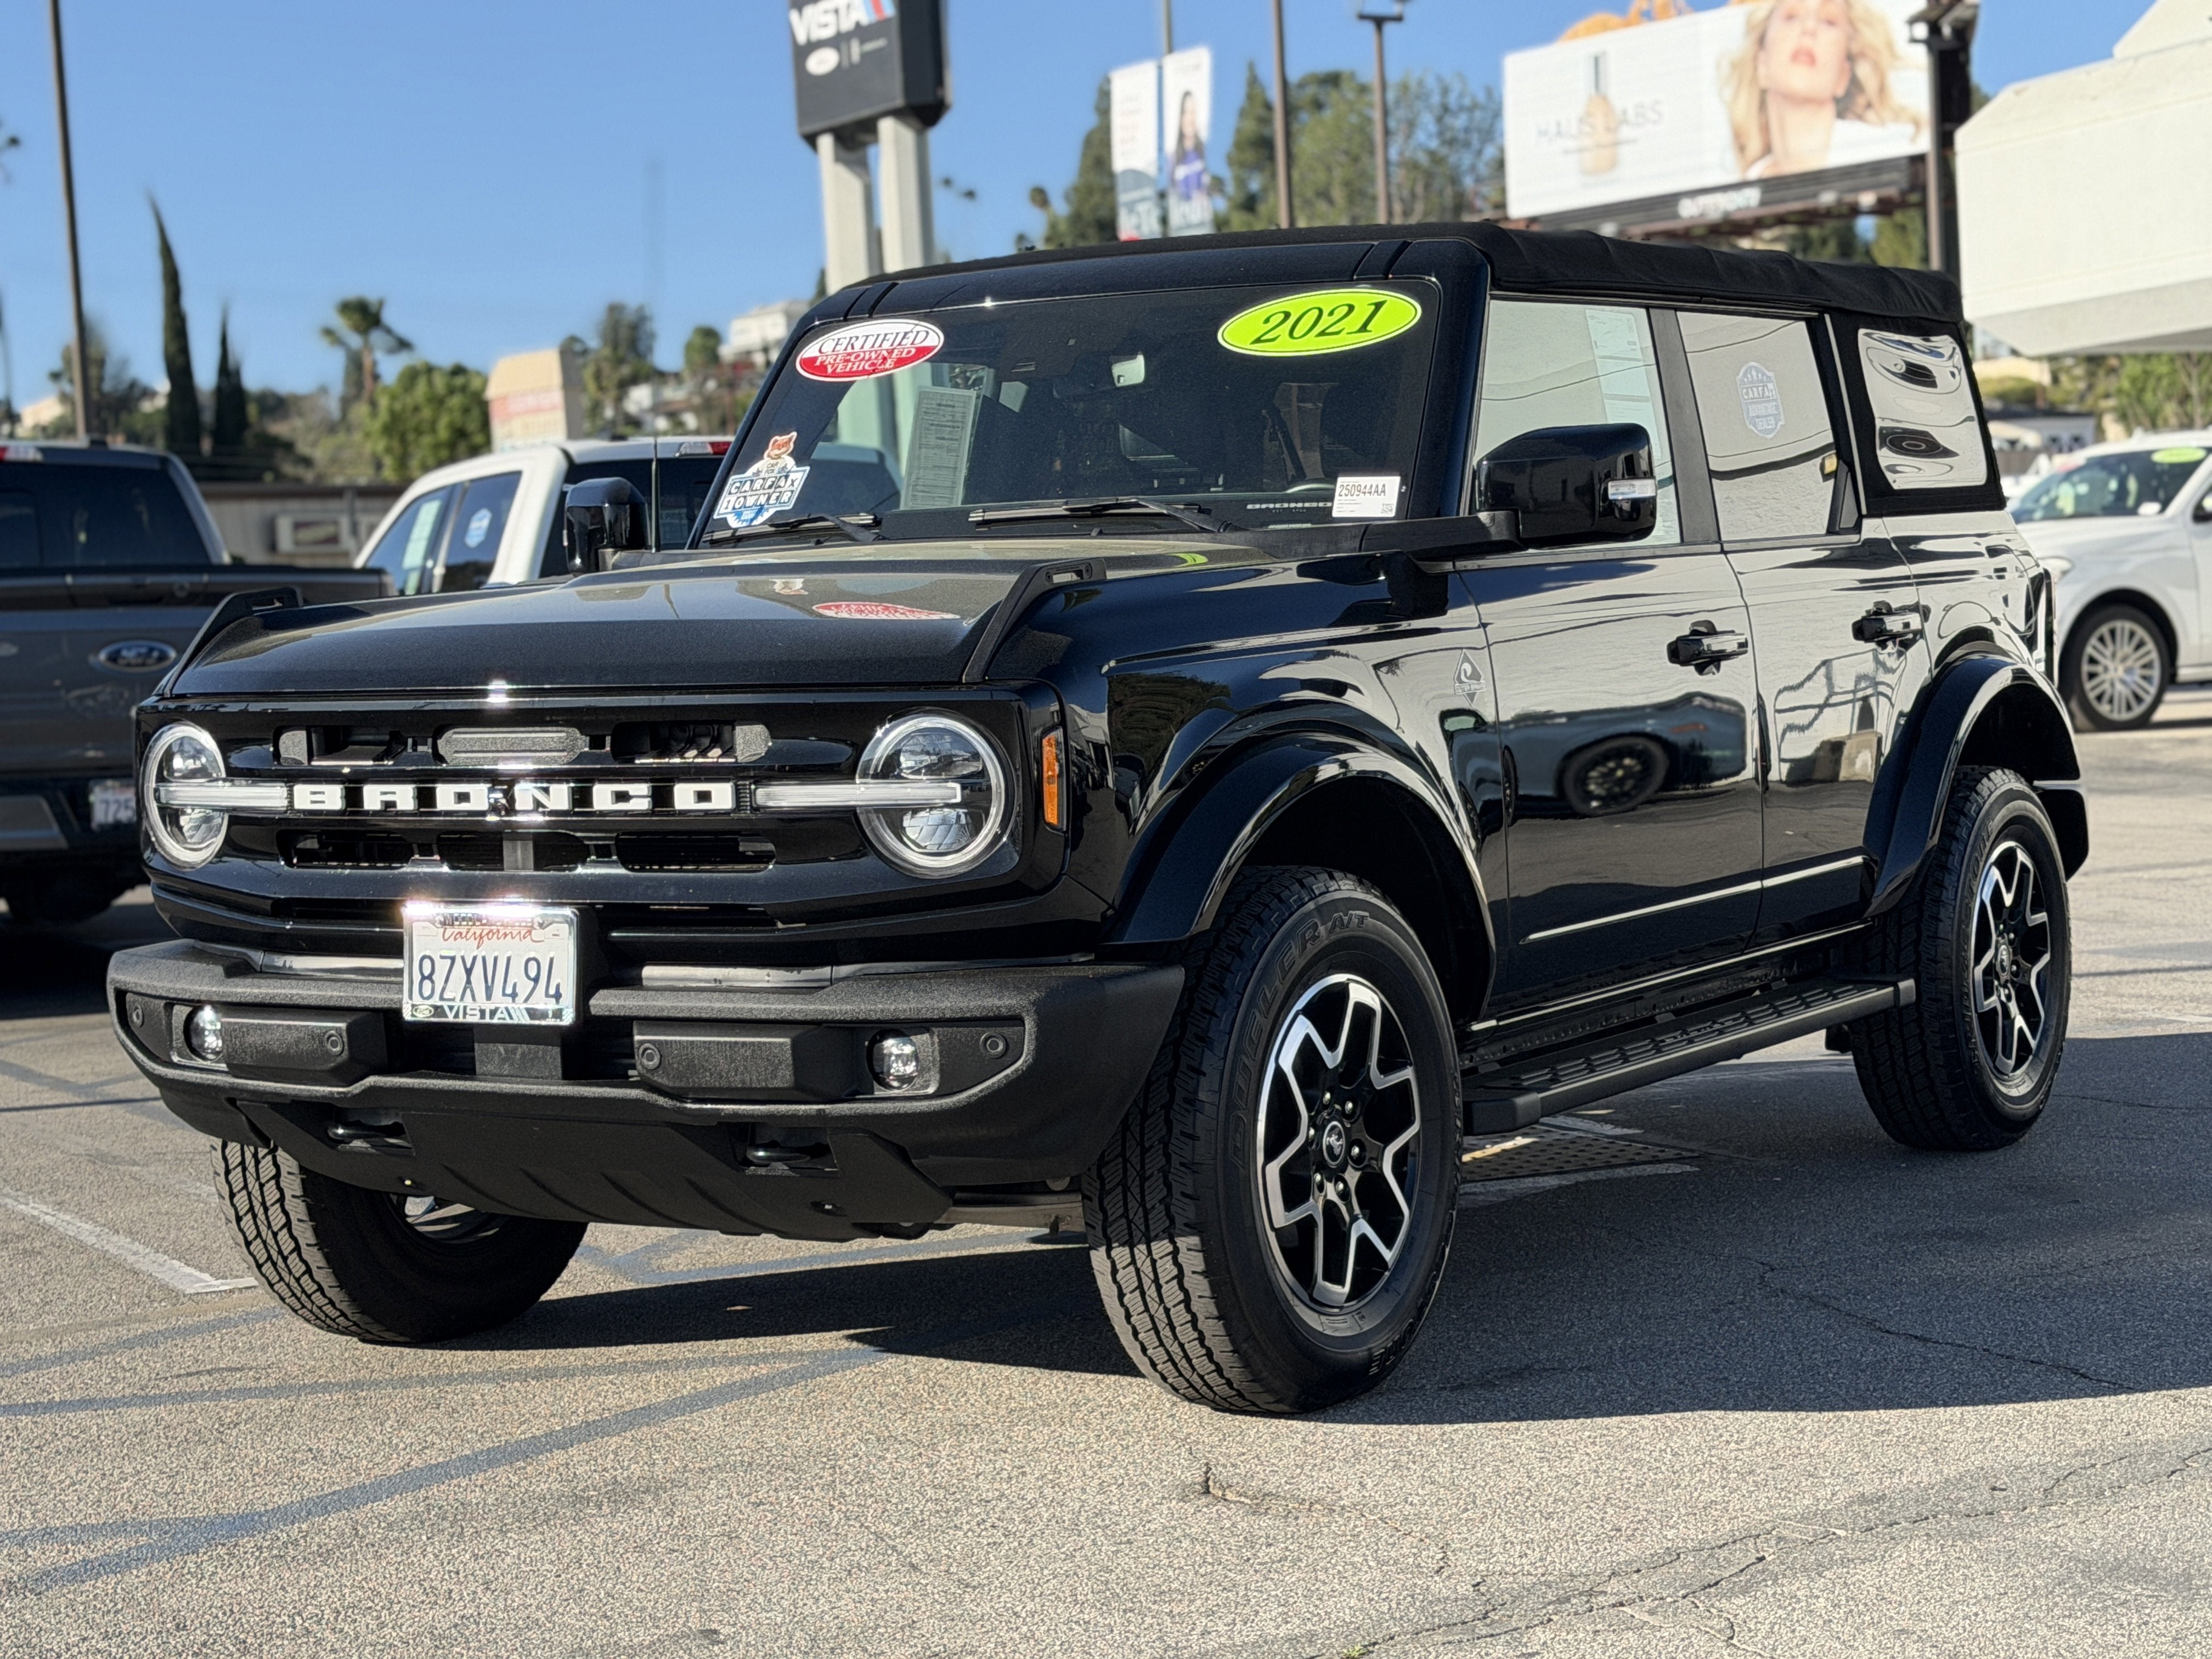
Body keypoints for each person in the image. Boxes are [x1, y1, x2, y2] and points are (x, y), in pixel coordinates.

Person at [1722, 0, 1922, 179]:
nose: (1809, 28)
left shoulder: (1882, 154)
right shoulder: (1749, 181)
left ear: (1843, 77)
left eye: (1829, 21)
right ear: (1761, 65)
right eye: (1791, 16)